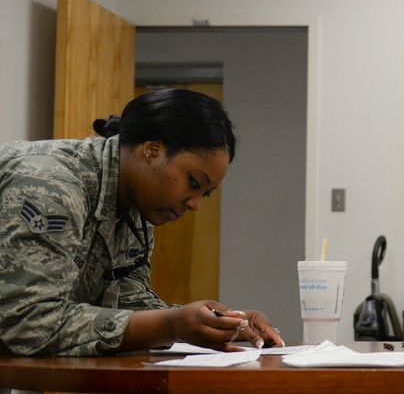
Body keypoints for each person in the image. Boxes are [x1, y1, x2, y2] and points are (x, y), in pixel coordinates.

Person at [0, 89, 284, 356]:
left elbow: (127, 301)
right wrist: (172, 325)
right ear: (153, 149)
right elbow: (27, 323)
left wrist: (218, 322)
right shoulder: (50, 185)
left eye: (204, 194)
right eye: (194, 183)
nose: (195, 204)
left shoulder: (137, 207)